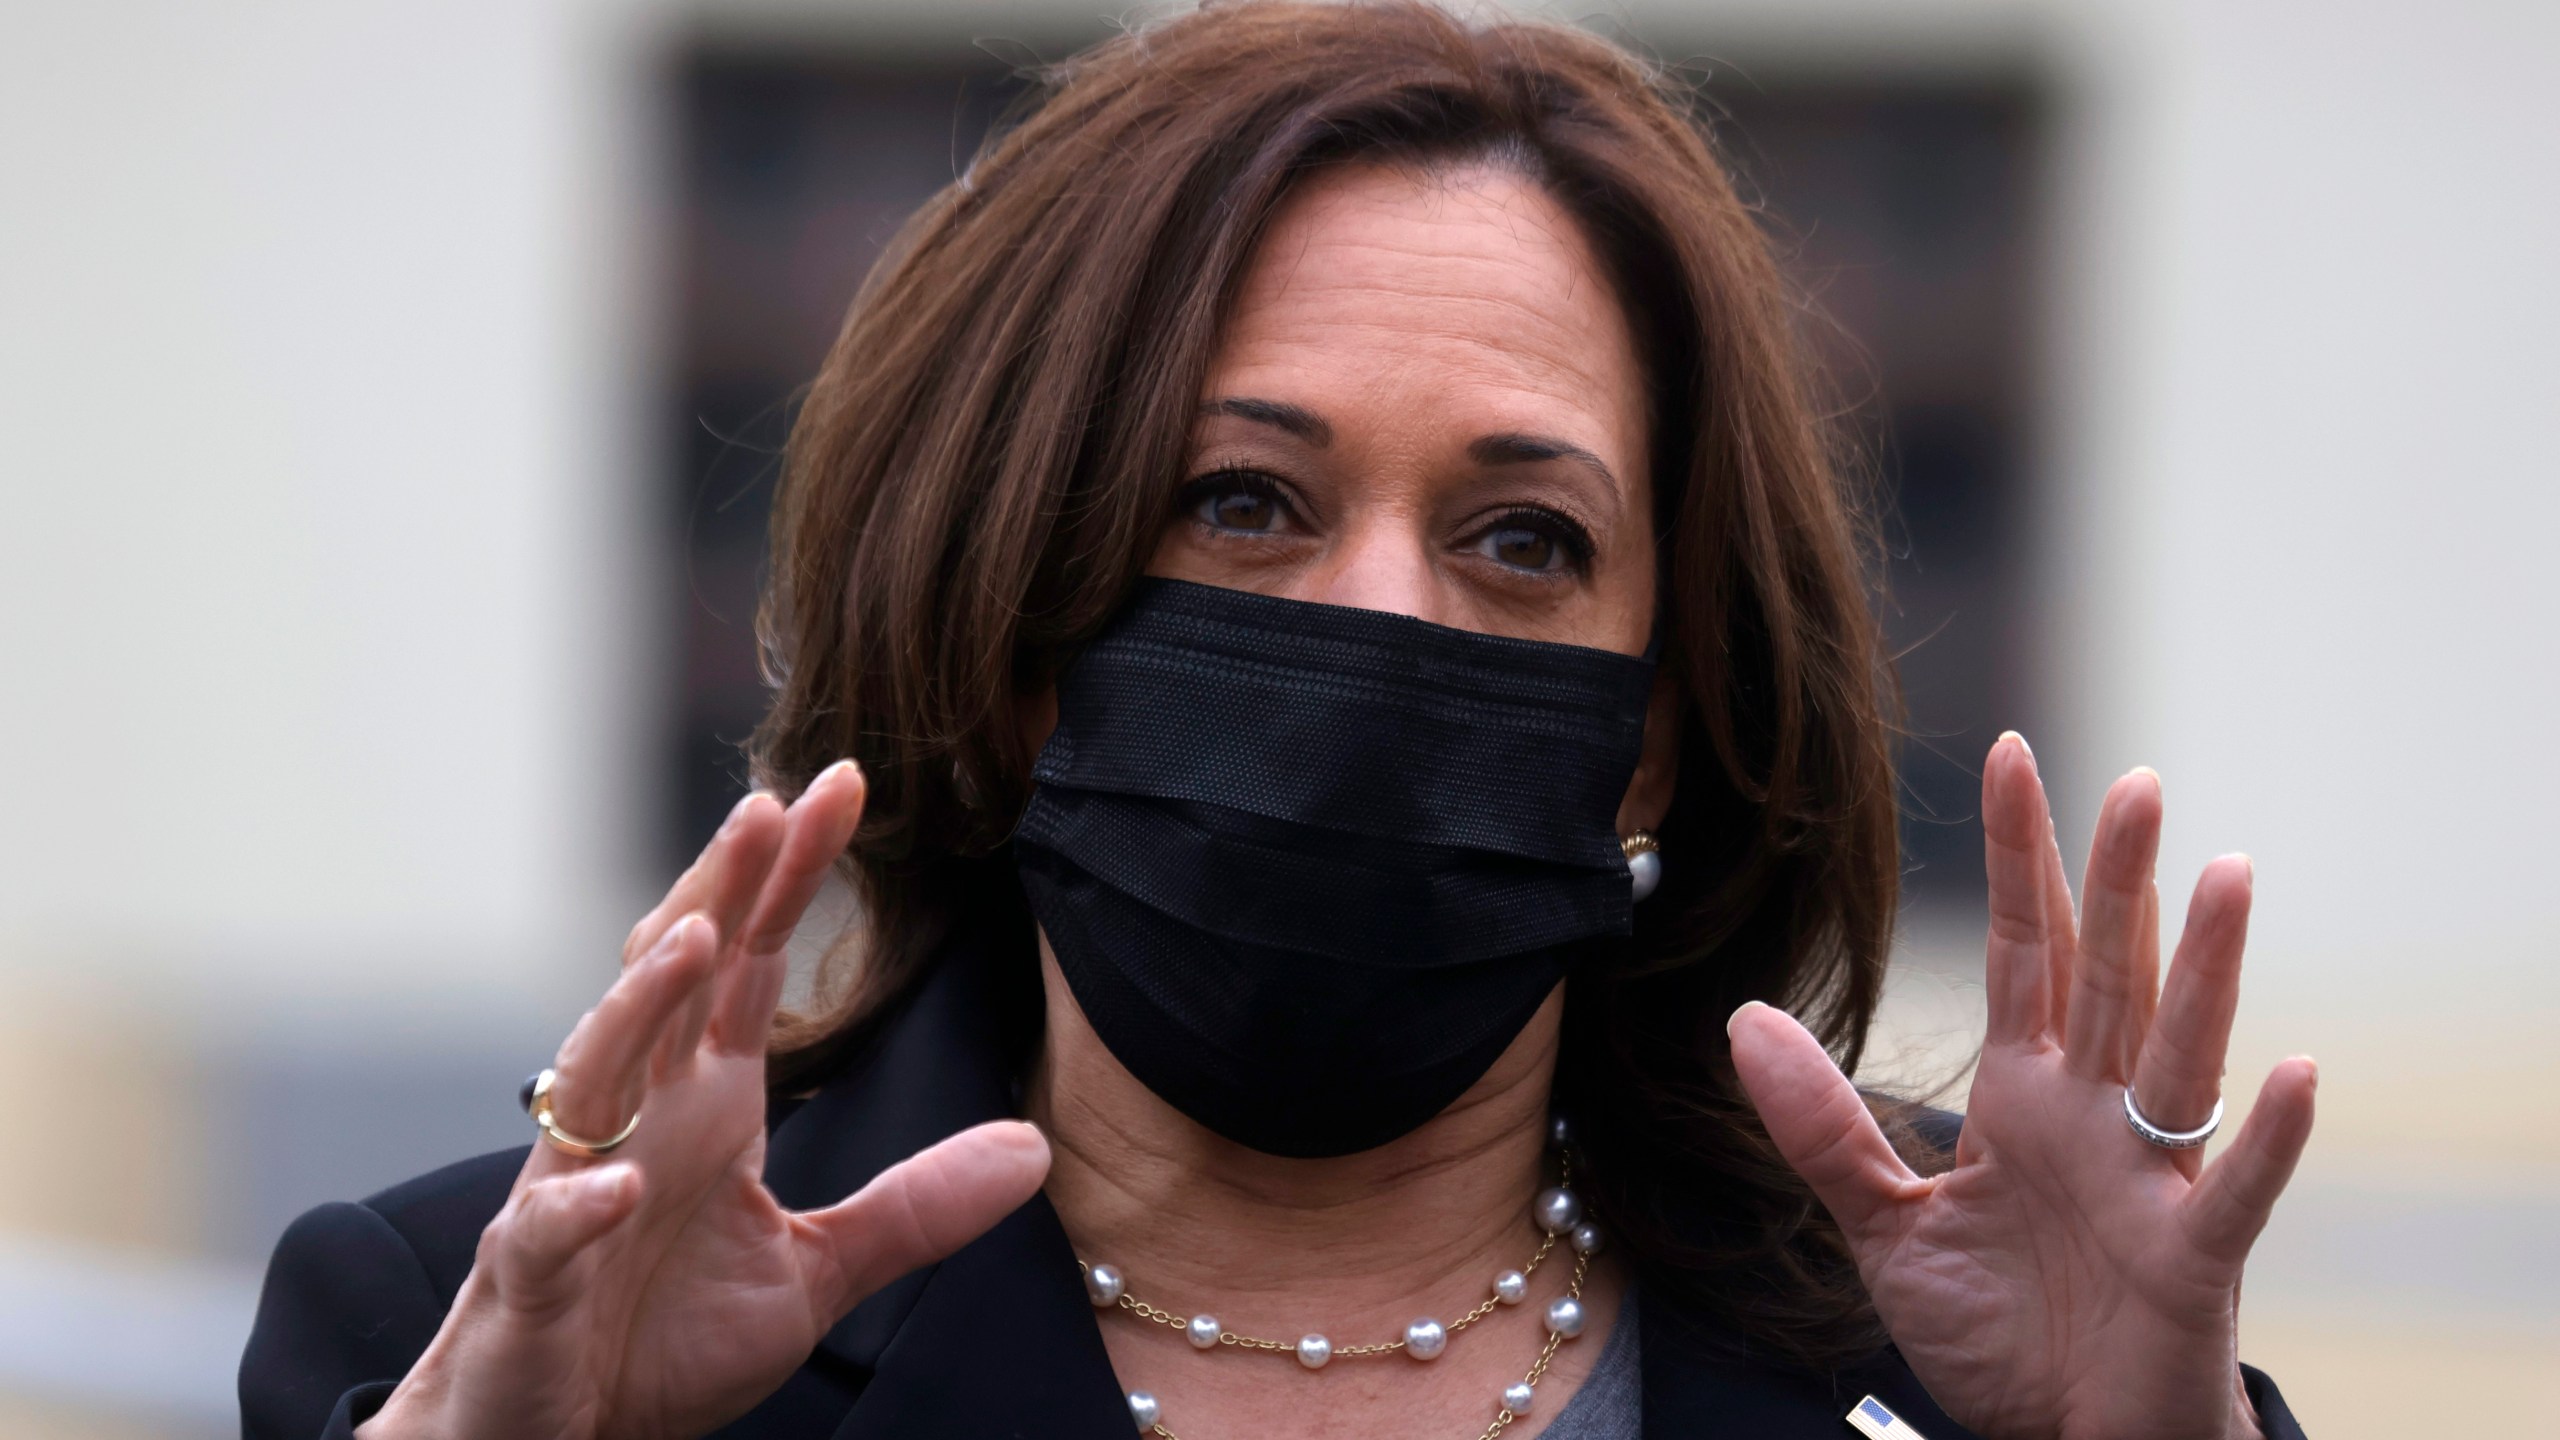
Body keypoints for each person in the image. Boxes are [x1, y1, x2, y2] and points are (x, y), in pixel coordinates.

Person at [239, 3, 2317, 1437]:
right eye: (1240, 503)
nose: (1383, 626)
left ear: (1661, 724)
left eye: (1520, 538)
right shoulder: (499, 1323)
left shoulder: (1965, 1353)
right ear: (1014, 622)